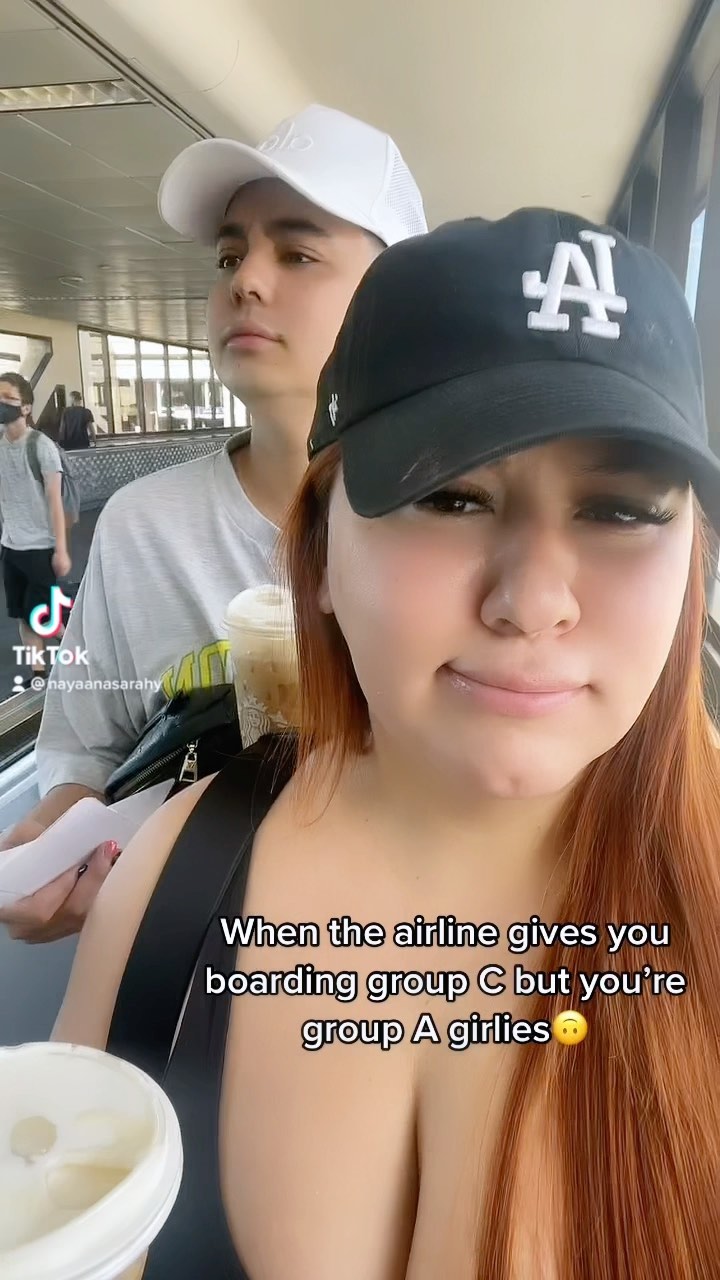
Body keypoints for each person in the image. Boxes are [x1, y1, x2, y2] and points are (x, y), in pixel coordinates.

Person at [54, 212, 720, 1278]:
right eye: (450, 495)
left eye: (622, 511)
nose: (532, 601)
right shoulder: (172, 890)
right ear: (317, 553)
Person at [0, 104, 426, 942]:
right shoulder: (142, 526)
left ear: (398, 303)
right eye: (231, 254)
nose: (246, 280)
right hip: (185, 958)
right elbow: (84, 745)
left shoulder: (450, 531)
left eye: (297, 253)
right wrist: (62, 840)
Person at [0, 372, 71, 684]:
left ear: (26, 407)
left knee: (42, 617)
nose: (2, 403)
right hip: (11, 546)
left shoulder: (41, 446)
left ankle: (80, 655)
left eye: (8, 398)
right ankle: (38, 673)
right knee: (23, 615)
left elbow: (55, 501)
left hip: (41, 547)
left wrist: (61, 550)